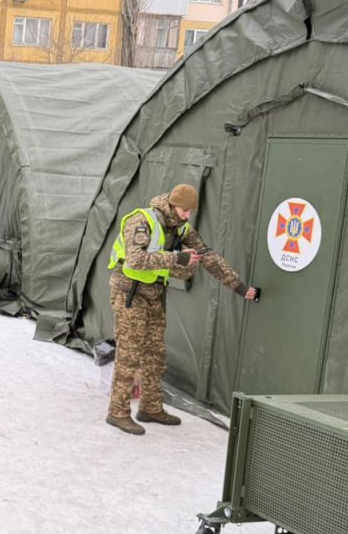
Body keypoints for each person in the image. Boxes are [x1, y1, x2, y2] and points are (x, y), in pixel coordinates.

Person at [106, 183, 259, 435]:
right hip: (129, 291)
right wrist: (177, 258)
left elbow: (207, 256)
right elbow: (136, 259)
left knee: (155, 353)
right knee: (130, 353)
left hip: (155, 292)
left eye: (190, 212)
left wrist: (240, 287)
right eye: (184, 211)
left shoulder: (182, 227)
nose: (188, 216)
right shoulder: (142, 220)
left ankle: (151, 407)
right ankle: (118, 412)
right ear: (172, 204)